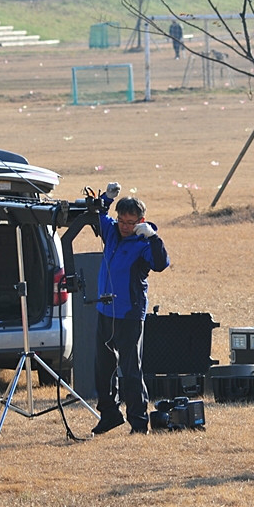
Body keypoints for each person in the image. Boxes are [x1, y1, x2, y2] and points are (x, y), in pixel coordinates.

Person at [92, 182, 170, 435]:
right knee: (103, 369)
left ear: (141, 221)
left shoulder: (144, 244)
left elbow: (160, 264)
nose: (125, 227)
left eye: (130, 222)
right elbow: (97, 216)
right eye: (122, 221)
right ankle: (110, 414)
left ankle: (138, 422)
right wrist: (106, 198)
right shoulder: (112, 233)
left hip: (129, 314)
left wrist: (154, 237)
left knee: (131, 371)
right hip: (106, 312)